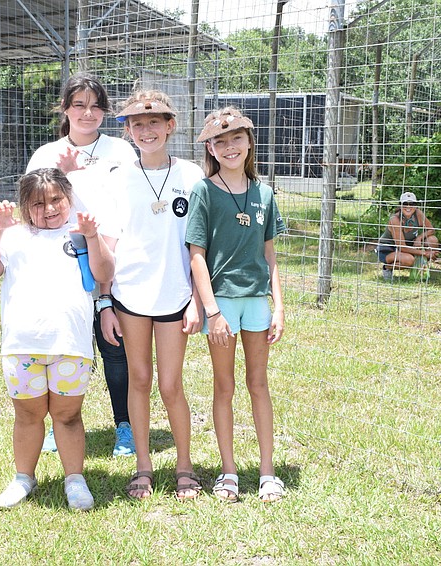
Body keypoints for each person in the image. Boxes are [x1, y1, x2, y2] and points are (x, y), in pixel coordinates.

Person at [0, 168, 114, 510]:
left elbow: (105, 273)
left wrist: (93, 237)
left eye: (56, 200)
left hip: (70, 345)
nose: (49, 209)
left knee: (67, 416)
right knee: (27, 415)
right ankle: (24, 476)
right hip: (23, 345)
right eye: (38, 203)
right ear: (25, 206)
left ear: (69, 197)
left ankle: (75, 479)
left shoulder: (80, 234)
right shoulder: (14, 236)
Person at [99, 90, 204, 501]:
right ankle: (143, 466)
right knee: (138, 380)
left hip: (176, 295)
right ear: (127, 131)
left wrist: (196, 299)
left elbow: (201, 243)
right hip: (129, 296)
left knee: (171, 384)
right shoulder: (118, 177)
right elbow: (106, 245)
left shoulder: (191, 175)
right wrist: (105, 302)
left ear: (170, 126)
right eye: (137, 124)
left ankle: (184, 466)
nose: (146, 130)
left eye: (155, 123)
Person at [26, 72, 138, 457]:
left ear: (104, 112)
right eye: (79, 105)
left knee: (114, 343)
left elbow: (128, 207)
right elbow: (34, 208)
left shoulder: (122, 152)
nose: (88, 113)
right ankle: (61, 424)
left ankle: (124, 424)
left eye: (95, 106)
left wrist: (109, 255)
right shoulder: (46, 155)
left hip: (111, 255)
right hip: (62, 263)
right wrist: (65, 174)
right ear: (65, 109)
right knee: (64, 345)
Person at [186, 107, 287, 503]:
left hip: (256, 304)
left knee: (258, 384)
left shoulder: (264, 193)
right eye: (220, 141)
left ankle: (267, 472)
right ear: (210, 147)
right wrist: (212, 311)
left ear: (249, 142)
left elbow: (270, 255)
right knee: (224, 386)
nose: (230, 147)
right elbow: (197, 255)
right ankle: (228, 472)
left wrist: (278, 306)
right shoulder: (203, 191)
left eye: (237, 139)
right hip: (222, 304)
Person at [377, 191, 440, 281]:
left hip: (408, 245)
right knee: (409, 260)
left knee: (432, 240)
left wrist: (419, 238)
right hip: (389, 249)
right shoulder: (395, 220)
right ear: (400, 205)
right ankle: (387, 268)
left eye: (412, 203)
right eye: (405, 203)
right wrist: (425, 253)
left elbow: (431, 229)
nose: (408, 206)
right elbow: (401, 247)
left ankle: (421, 268)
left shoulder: (418, 214)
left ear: (416, 205)